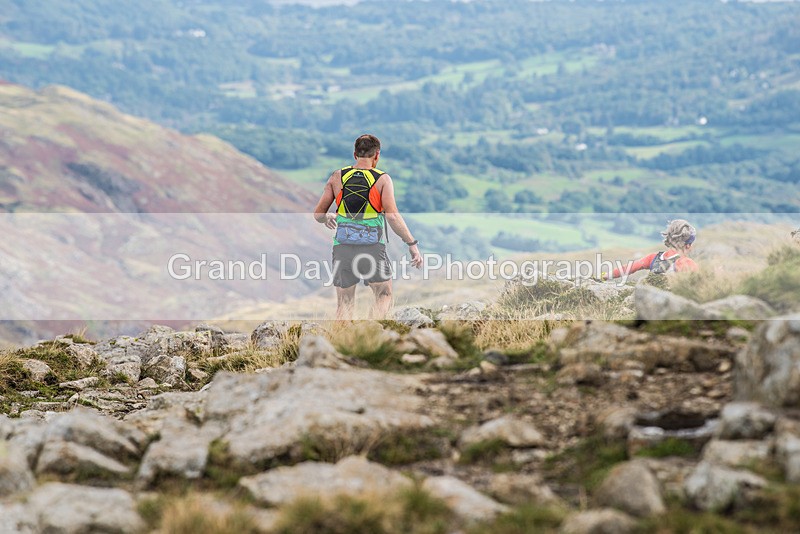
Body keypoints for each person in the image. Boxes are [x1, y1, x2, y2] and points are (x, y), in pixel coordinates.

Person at [313, 134, 422, 320]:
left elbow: (318, 214)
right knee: (383, 295)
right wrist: (411, 244)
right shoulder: (382, 179)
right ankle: (371, 333)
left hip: (343, 246)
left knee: (344, 304)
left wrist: (328, 217)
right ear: (377, 155)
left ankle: (340, 344)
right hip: (371, 246)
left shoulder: (337, 176)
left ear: (355, 154)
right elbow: (393, 216)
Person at [602, 219, 699, 280]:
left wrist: (604, 276)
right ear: (688, 245)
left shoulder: (654, 258)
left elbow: (628, 268)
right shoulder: (687, 263)